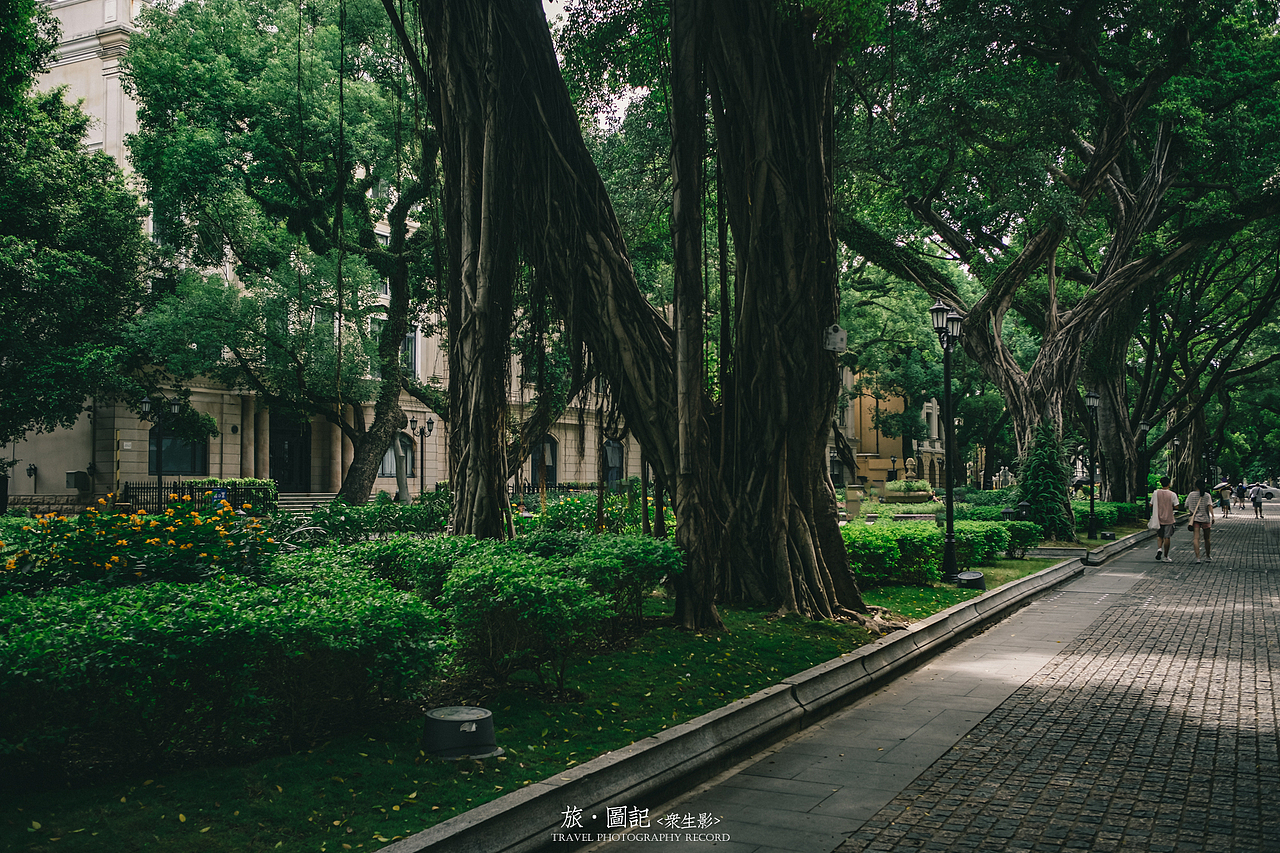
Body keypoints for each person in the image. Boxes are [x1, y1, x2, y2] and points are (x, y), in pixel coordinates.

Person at [1186, 478, 1215, 563]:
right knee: (1207, 538)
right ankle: (1207, 556)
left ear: (1196, 485)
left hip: (1195, 519)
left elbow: (1186, 505)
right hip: (1205, 518)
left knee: (1196, 538)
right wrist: (1213, 516)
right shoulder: (1207, 495)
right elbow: (1210, 506)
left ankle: (1198, 557)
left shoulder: (1191, 495)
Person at [1152, 475, 1180, 562]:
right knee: (1167, 537)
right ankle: (1166, 556)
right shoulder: (1172, 494)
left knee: (1159, 535)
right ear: (1169, 484)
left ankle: (1159, 548)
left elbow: (1151, 504)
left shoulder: (1156, 493)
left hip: (1158, 518)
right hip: (1168, 518)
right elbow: (1176, 506)